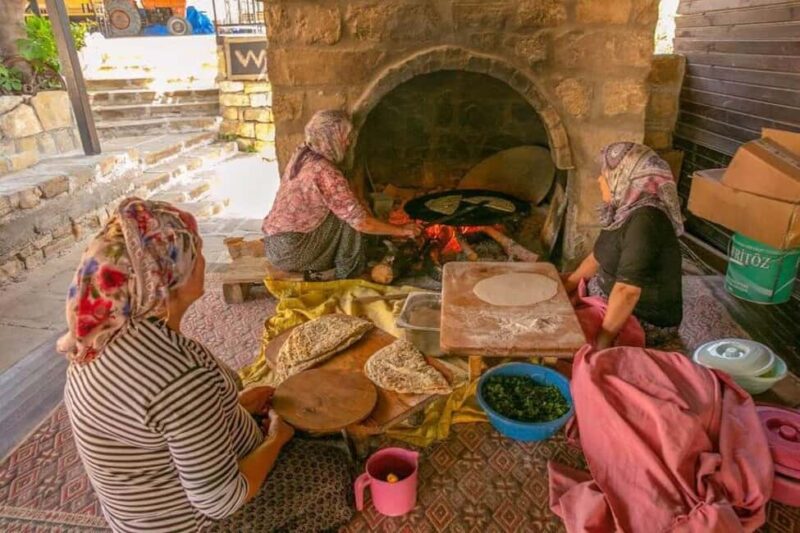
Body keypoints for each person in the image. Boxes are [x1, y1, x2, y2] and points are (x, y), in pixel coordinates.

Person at [58, 198, 352, 532]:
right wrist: (277, 440)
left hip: (138, 515)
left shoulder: (97, 337)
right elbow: (221, 499)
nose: (202, 259)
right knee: (331, 468)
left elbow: (164, 423)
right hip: (192, 523)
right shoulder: (178, 379)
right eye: (194, 251)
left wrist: (233, 407)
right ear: (168, 280)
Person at [262, 109, 420, 280]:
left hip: (274, 245)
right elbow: (362, 223)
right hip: (293, 252)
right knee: (349, 218)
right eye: (343, 136)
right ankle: (348, 273)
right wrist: (402, 231)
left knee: (346, 207)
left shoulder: (303, 153)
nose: (348, 142)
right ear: (329, 137)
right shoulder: (325, 171)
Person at [562, 142, 684, 349]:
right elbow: (597, 257)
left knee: (564, 335)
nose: (600, 179)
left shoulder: (647, 220)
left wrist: (603, 342)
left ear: (624, 177)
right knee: (555, 302)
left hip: (643, 318)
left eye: (605, 174)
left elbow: (627, 292)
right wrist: (566, 288)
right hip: (609, 299)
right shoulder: (624, 211)